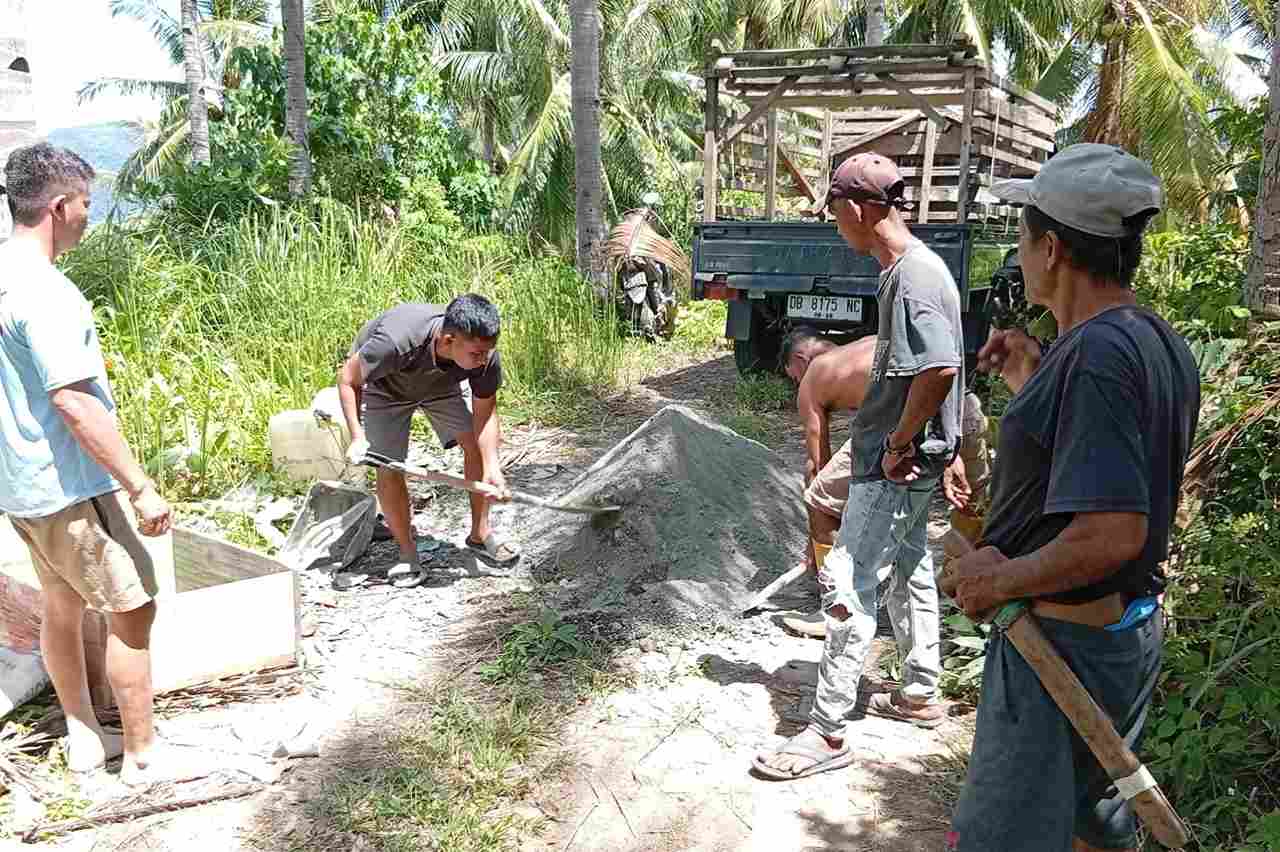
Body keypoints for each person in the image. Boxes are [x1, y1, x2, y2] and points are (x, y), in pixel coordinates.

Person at [940, 144, 1200, 852]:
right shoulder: (1148, 341)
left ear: (1051, 248)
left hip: (1060, 649)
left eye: (1022, 240)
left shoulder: (1095, 357)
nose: (1019, 258)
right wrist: (1032, 377)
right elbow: (1100, 455)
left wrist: (995, 578)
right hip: (1117, 636)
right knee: (1092, 832)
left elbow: (1111, 531)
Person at [754, 152, 964, 780]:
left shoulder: (916, 276)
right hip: (913, 458)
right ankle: (920, 691)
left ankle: (828, 733)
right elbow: (941, 366)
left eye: (835, 214)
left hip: (894, 463)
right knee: (910, 565)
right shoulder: (908, 271)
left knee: (847, 580)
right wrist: (947, 446)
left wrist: (901, 443)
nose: (835, 226)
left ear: (855, 209)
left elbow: (941, 367)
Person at [0, 143, 174, 785]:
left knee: (60, 604)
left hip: (21, 485)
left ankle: (82, 732)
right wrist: (140, 486)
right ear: (58, 205)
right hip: (71, 484)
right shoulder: (46, 291)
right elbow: (71, 399)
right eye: (86, 205)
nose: (88, 218)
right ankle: (143, 756)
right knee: (133, 607)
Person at [781, 326, 981, 639]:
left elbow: (817, 466)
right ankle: (978, 610)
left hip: (909, 424)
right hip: (962, 409)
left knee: (819, 500)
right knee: (971, 511)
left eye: (793, 376)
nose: (796, 383)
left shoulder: (813, 377)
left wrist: (815, 542)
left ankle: (836, 608)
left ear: (800, 358)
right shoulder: (864, 348)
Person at [337, 295, 518, 588]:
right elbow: (348, 378)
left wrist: (493, 467)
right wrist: (358, 437)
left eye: (488, 352)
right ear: (448, 340)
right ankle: (408, 554)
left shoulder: (481, 356)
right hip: (385, 387)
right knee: (389, 466)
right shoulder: (396, 341)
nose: (484, 359)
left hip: (439, 386)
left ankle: (479, 534)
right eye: (477, 354)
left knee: (475, 448)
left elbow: (485, 414)